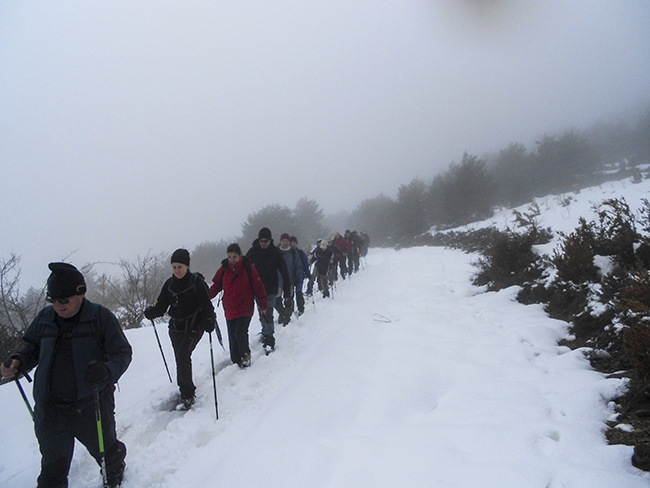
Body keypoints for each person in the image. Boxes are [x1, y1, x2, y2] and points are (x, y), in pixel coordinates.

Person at [1, 262, 132, 488]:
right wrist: (19, 361)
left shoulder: (101, 318)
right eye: (53, 300)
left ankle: (114, 469)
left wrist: (107, 370)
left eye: (64, 300)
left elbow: (122, 353)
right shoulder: (45, 318)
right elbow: (31, 346)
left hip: (91, 405)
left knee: (105, 451)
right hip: (50, 409)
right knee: (52, 468)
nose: (58, 305)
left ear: (80, 294)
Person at [144, 249, 216, 409]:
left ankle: (187, 393)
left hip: (195, 326)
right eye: (174, 267)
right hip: (175, 328)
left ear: (187, 266)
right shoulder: (169, 284)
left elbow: (206, 305)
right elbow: (162, 306)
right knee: (180, 358)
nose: (177, 270)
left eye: (180, 267)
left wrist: (210, 319)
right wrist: (151, 312)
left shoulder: (196, 282)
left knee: (183, 355)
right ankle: (184, 389)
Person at [209, 243, 268, 368]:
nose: (232, 260)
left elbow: (258, 286)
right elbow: (216, 285)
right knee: (232, 334)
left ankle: (245, 355)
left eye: (234, 257)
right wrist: (206, 296)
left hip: (244, 307)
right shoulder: (224, 268)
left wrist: (263, 304)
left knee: (240, 333)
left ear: (240, 256)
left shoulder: (248, 267)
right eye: (230, 257)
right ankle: (235, 359)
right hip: (229, 307)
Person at [246, 228, 291, 352]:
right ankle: (265, 331)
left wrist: (287, 292)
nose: (263, 243)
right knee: (262, 313)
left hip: (271, 289)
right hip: (256, 289)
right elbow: (243, 267)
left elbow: (284, 271)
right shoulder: (253, 251)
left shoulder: (276, 252)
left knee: (268, 313)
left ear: (270, 240)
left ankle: (269, 338)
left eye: (266, 241)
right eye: (261, 241)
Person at [275, 233, 304, 325]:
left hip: (289, 280)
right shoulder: (275, 251)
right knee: (277, 300)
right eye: (283, 241)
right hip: (277, 280)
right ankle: (282, 313)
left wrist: (299, 277)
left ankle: (287, 317)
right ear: (280, 242)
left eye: (287, 241)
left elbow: (298, 265)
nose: (285, 243)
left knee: (289, 300)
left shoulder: (293, 252)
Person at [290, 236, 310, 315]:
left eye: (294, 243)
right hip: (290, 277)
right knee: (290, 295)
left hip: (299, 276)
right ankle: (290, 311)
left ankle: (301, 309)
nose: (293, 244)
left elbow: (305, 264)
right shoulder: (286, 253)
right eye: (291, 243)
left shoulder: (301, 253)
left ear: (297, 244)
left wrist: (308, 273)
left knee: (299, 293)